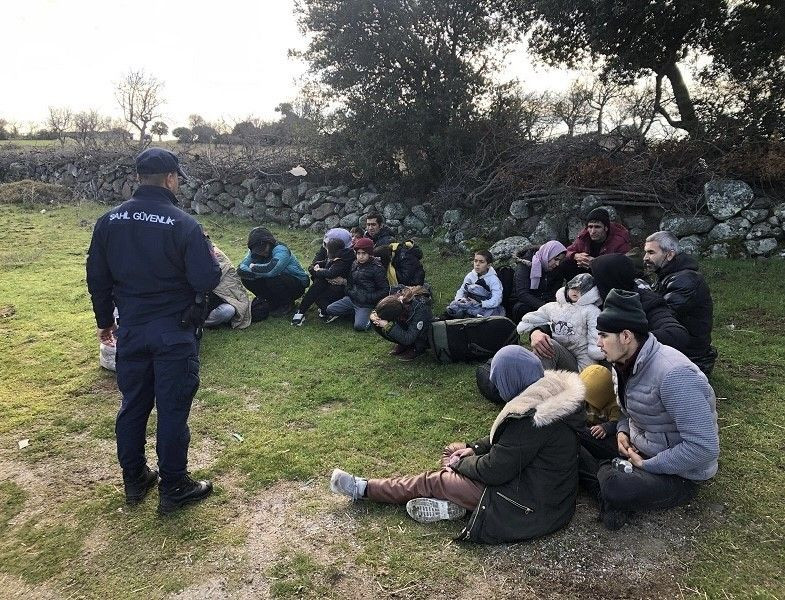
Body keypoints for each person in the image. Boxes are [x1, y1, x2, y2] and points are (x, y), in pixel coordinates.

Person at [329, 345, 585, 543]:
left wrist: (462, 463)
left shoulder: (532, 420)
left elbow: (494, 470)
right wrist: (473, 448)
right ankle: (454, 500)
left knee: (433, 480)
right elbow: (512, 446)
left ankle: (363, 488)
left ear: (510, 380)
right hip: (535, 486)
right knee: (453, 449)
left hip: (526, 502)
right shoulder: (546, 395)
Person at [86, 147, 221, 515]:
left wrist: (104, 321)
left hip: (131, 330)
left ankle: (134, 480)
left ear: (138, 178)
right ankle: (174, 486)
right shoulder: (184, 224)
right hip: (174, 333)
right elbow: (207, 277)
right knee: (172, 411)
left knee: (133, 407)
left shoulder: (108, 222)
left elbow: (97, 278)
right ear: (171, 178)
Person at [582, 289, 719, 530]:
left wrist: (647, 465)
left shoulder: (674, 375)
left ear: (625, 336)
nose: (598, 343)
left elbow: (703, 447)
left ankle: (609, 476)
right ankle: (610, 476)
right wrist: (623, 431)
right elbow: (629, 411)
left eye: (603, 335)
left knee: (616, 487)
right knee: (572, 431)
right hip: (638, 445)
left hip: (676, 472)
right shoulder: (621, 362)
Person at [643, 231, 718, 374]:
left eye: (651, 252)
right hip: (681, 345)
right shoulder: (667, 274)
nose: (645, 258)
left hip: (691, 354)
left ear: (669, 255)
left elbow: (662, 315)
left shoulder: (686, 280)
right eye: (646, 252)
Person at [589, 253, 691, 355]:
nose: (594, 286)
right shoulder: (597, 302)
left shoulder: (646, 302)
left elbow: (677, 334)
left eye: (596, 280)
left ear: (608, 281)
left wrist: (629, 341)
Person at [517, 273, 604, 372]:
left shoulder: (591, 310)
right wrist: (529, 327)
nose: (576, 292)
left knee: (588, 375)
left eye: (581, 290)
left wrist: (596, 350)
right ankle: (534, 378)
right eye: (573, 288)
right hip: (559, 348)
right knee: (547, 345)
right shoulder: (554, 306)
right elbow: (536, 317)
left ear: (590, 293)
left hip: (582, 352)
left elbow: (595, 332)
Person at [237, 227, 309, 316]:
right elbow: (241, 269)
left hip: (296, 285)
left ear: (270, 242)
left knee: (273, 278)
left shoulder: (281, 250)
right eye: (258, 249)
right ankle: (270, 301)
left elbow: (271, 270)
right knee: (246, 278)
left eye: (263, 248)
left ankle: (287, 304)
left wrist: (253, 268)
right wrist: (253, 271)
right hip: (273, 282)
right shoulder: (253, 251)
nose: (261, 252)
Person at [291, 230, 355, 326]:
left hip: (342, 290)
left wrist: (318, 271)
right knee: (318, 284)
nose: (325, 249)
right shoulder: (335, 254)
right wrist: (316, 269)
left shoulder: (346, 259)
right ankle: (304, 310)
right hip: (328, 284)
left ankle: (304, 311)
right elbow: (315, 265)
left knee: (318, 287)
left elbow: (331, 273)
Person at [323, 237, 389, 331]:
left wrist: (368, 297)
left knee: (359, 326)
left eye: (364, 253)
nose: (360, 256)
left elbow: (385, 290)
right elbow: (350, 282)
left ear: (370, 254)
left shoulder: (377, 268)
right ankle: (356, 313)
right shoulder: (354, 264)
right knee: (329, 309)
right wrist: (349, 291)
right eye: (358, 253)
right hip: (352, 299)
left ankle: (370, 315)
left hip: (366, 304)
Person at [370, 286, 433, 361]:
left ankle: (416, 349)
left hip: (421, 334)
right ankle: (402, 343)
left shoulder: (420, 309)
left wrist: (388, 326)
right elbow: (382, 308)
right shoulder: (394, 297)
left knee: (409, 337)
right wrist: (374, 315)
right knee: (375, 321)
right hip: (406, 322)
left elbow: (409, 338)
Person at [509, 241, 567, 322]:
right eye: (556, 259)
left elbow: (555, 291)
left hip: (544, 300)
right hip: (525, 302)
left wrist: (552, 304)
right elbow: (522, 293)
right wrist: (544, 306)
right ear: (548, 254)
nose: (557, 263)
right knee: (521, 309)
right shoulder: (525, 265)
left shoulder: (556, 268)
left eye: (559, 260)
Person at [564, 208, 631, 275]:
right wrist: (576, 255)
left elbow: (624, 265)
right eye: (590, 227)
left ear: (606, 228)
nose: (593, 231)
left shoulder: (619, 240)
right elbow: (567, 251)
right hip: (586, 269)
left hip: (607, 273)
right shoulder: (584, 236)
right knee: (565, 264)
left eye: (597, 227)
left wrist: (596, 263)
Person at [576, 365, 619, 461]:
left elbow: (617, 423)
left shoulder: (614, 405)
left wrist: (606, 427)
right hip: (587, 428)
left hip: (604, 436)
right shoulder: (582, 401)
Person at [204, 244, 252, 329]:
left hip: (219, 300)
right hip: (197, 299)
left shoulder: (217, 255)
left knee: (228, 311)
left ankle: (202, 323)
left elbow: (233, 285)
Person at [445, 250, 504, 318]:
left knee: (488, 317)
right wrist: (460, 299)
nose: (477, 264)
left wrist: (481, 303)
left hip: (485, 306)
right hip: (469, 303)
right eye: (475, 261)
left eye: (481, 262)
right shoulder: (470, 275)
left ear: (488, 265)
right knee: (453, 308)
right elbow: (461, 290)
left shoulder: (493, 279)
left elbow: (497, 299)